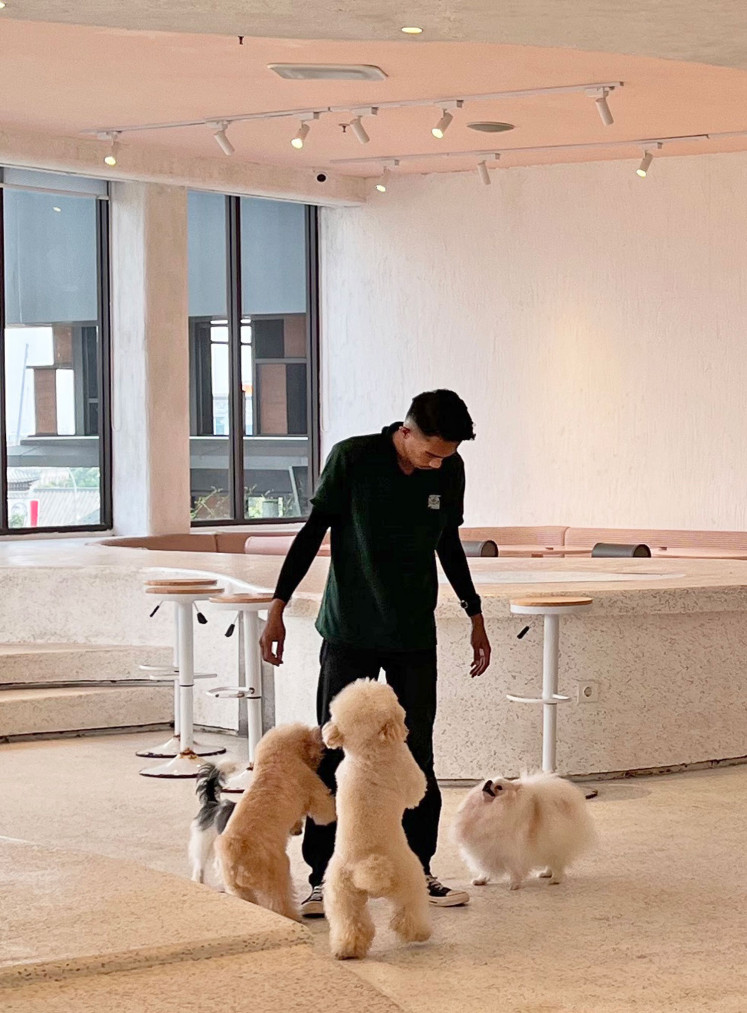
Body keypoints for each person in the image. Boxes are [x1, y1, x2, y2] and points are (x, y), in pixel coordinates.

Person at [259, 389, 492, 916]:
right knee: (332, 747)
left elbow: (448, 543)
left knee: (418, 751)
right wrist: (278, 606)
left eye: (447, 456)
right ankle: (323, 876)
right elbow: (311, 532)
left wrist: (474, 613)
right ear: (404, 433)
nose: (438, 463)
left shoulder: (447, 470)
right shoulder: (353, 458)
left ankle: (418, 867)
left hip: (412, 632)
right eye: (430, 453)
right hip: (351, 629)